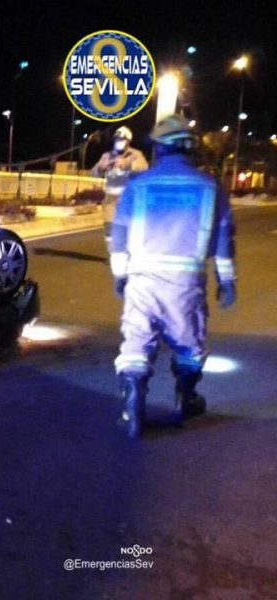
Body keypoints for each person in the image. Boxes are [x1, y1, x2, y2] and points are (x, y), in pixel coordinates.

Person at [109, 115, 236, 439]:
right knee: (189, 347)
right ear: (190, 149)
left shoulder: (138, 186)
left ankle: (134, 398)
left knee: (137, 343)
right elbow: (223, 242)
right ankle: (185, 397)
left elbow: (119, 234)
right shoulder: (211, 189)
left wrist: (120, 275)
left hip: (142, 280)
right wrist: (227, 282)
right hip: (185, 285)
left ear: (158, 149)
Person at [92, 126, 148, 247]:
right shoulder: (107, 156)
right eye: (117, 139)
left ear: (128, 141)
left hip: (128, 198)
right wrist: (101, 168)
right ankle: (112, 253)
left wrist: (127, 164)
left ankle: (128, 250)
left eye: (122, 139)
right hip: (111, 198)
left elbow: (143, 168)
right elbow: (94, 172)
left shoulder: (135, 154)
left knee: (127, 227)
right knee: (109, 226)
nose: (119, 142)